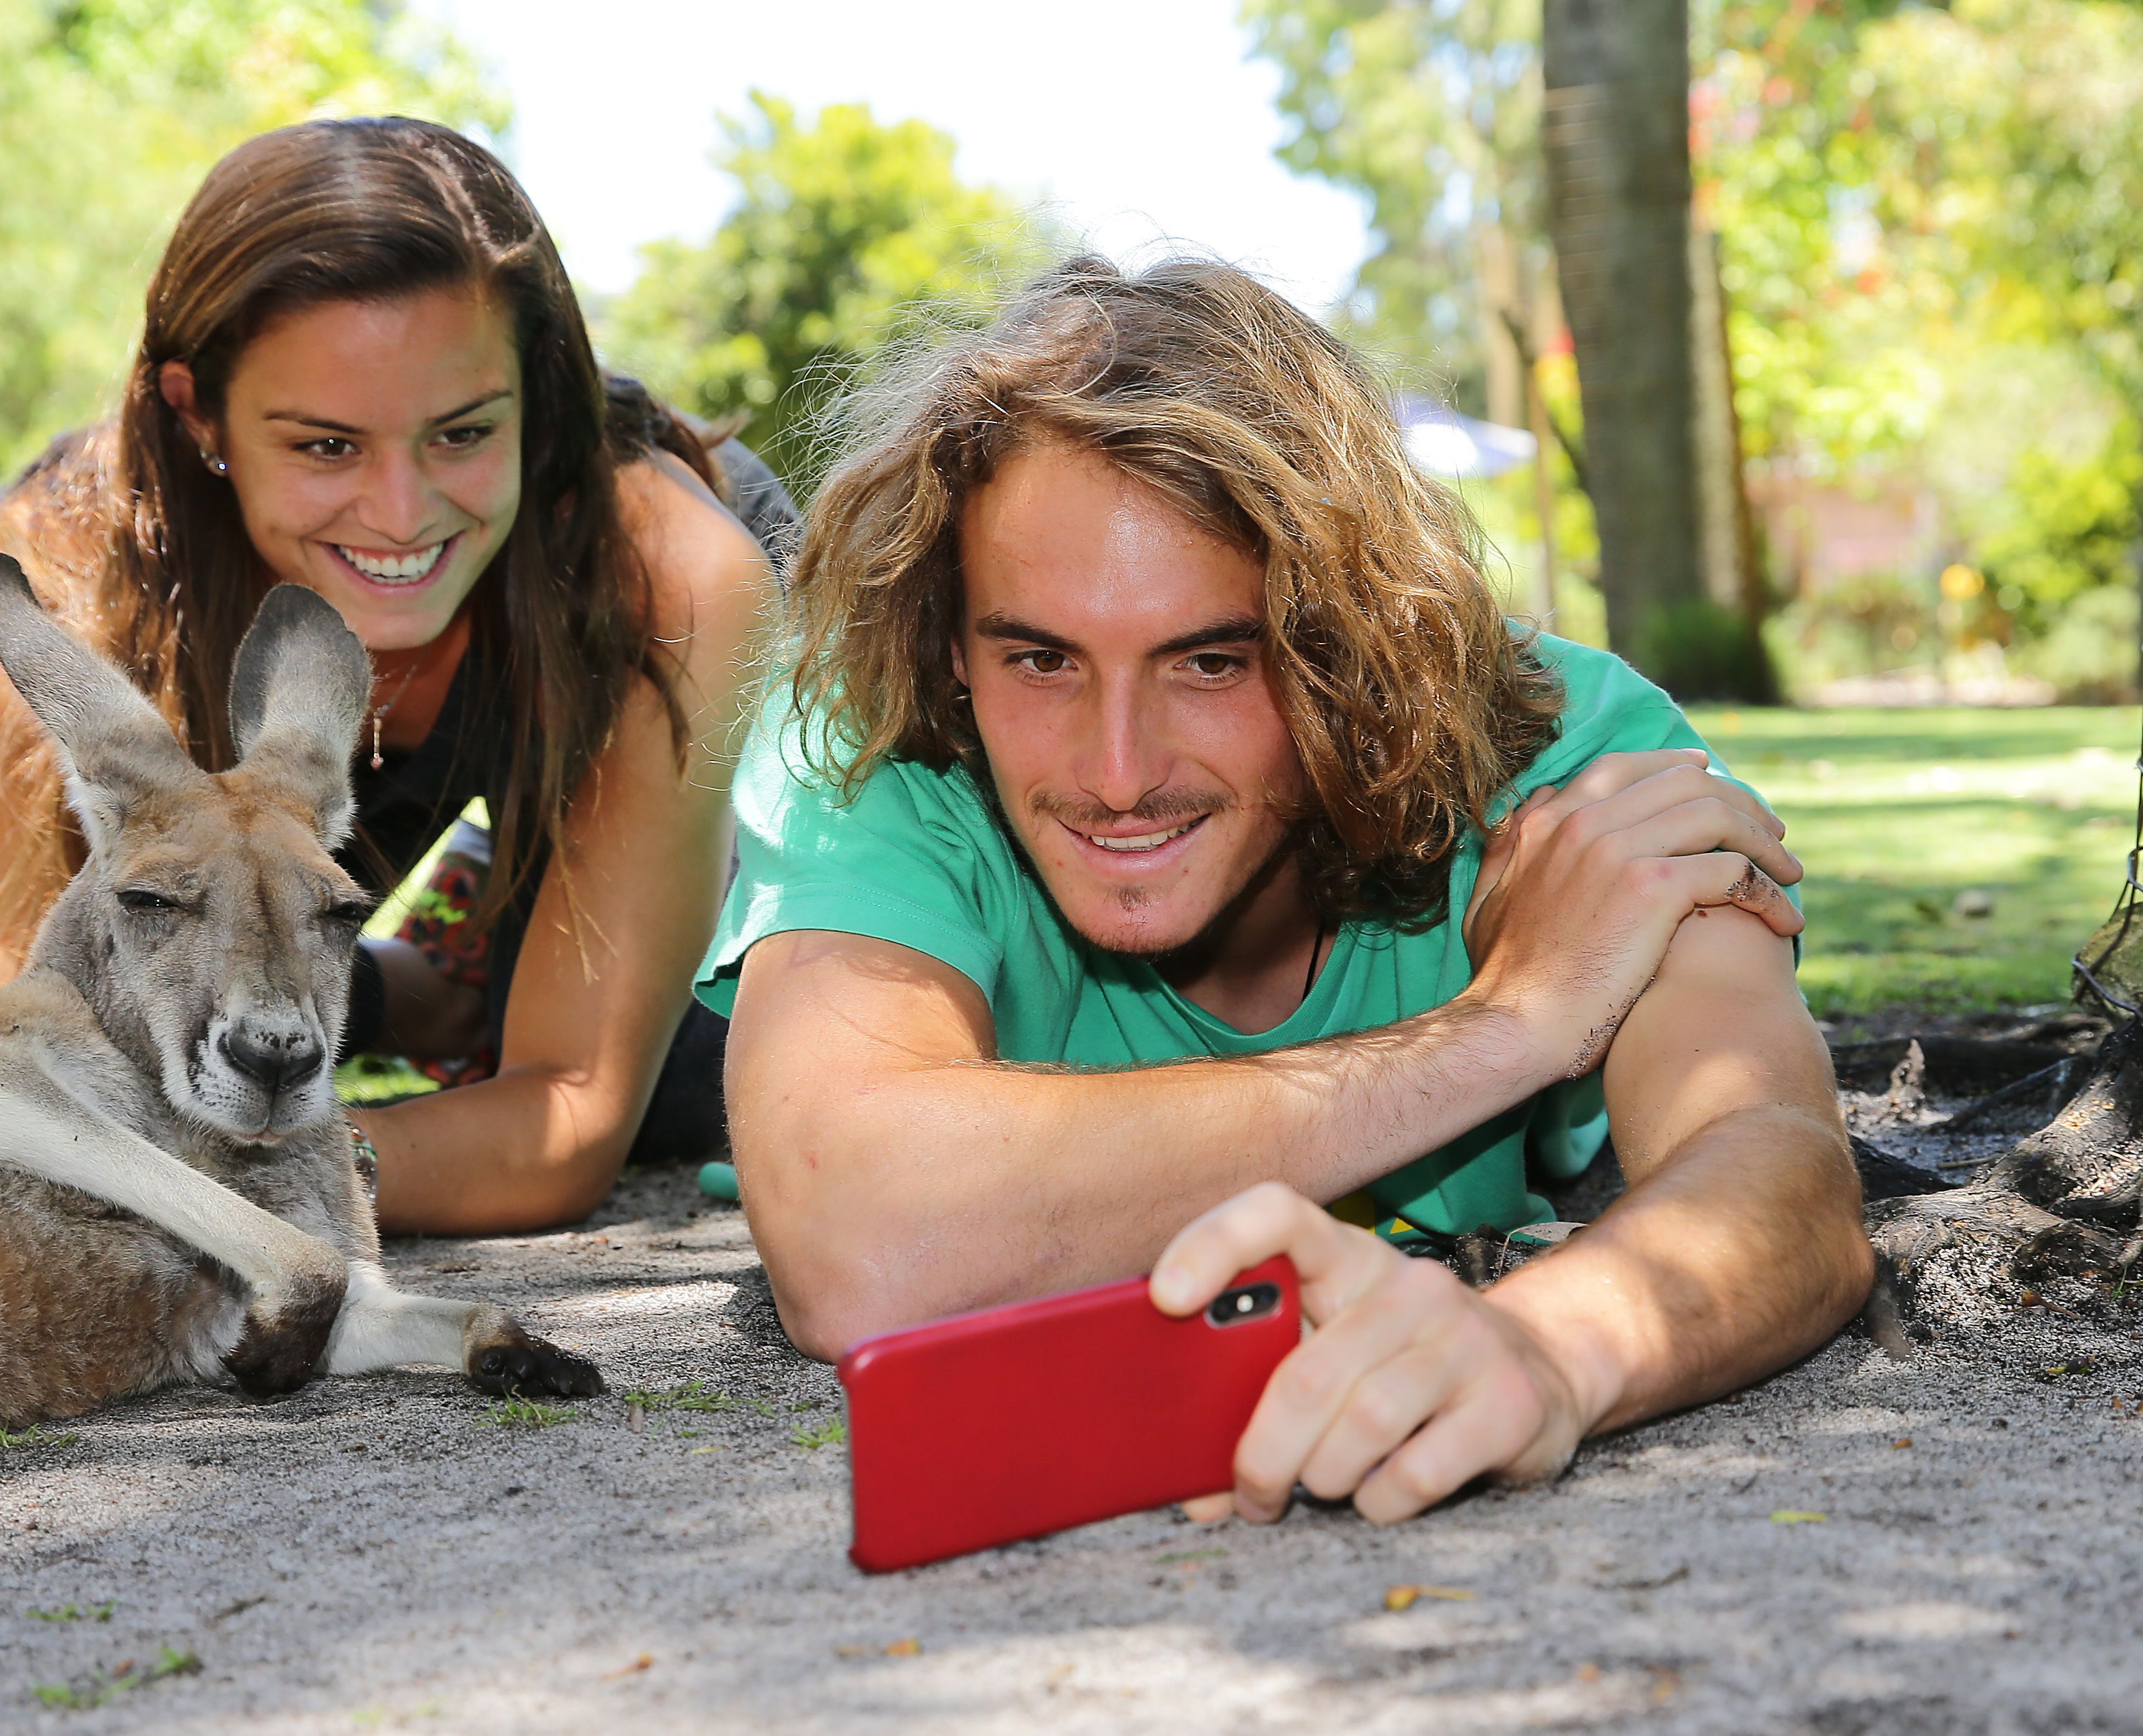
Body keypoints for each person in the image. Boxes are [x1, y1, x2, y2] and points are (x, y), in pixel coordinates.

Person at [697, 257, 1872, 1523]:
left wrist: (1545, 1351)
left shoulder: (1570, 763)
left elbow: (1779, 1169)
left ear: (1343, 641)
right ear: (950, 645)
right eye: (1040, 658)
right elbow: (860, 1241)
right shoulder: (872, 743)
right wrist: (1508, 1027)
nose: (1118, 773)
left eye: (1209, 661)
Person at [0, 117, 776, 1233]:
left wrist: (183, 1178)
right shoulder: (40, 594)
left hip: (602, 689)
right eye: (326, 446)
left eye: (462, 432)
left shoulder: (675, 579)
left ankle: (484, 935)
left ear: (535, 396)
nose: (403, 514)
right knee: (133, 1001)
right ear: (198, 413)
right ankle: (434, 976)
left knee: (703, 1069)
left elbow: (568, 1114)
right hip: (287, 795)